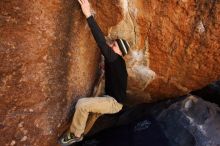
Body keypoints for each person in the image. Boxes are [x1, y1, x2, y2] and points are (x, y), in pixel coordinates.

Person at [60, 0, 130, 145]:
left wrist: (88, 14)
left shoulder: (115, 59)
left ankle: (76, 135)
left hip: (114, 103)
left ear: (119, 52)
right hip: (111, 96)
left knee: (82, 105)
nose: (111, 45)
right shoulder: (119, 61)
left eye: (114, 45)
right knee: (91, 113)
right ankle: (83, 131)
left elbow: (100, 42)